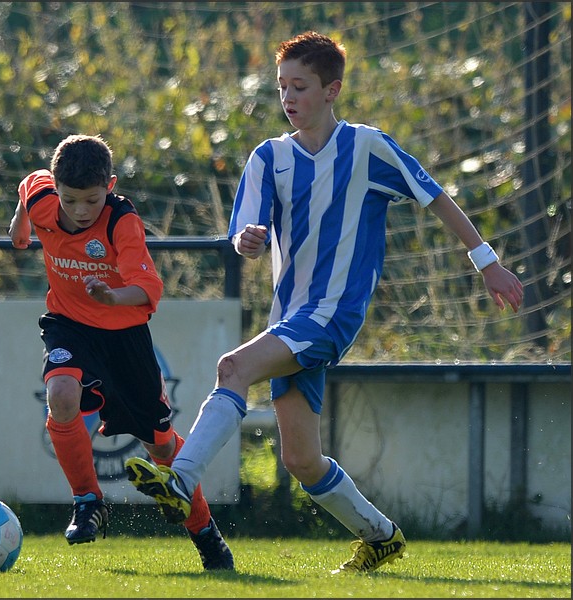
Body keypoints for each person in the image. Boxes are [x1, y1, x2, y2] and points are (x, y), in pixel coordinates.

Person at [125, 31, 525, 574]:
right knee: (301, 460)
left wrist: (488, 262)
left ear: (331, 90)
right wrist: (246, 238)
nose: (289, 98)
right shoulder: (269, 156)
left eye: (301, 86)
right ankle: (381, 537)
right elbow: (247, 226)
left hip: (333, 312)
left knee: (233, 367)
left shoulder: (367, 147)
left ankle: (182, 479)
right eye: (282, 86)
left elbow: (435, 198)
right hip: (290, 316)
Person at [8, 133, 234, 571]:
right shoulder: (42, 199)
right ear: (55, 188)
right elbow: (27, 185)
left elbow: (149, 289)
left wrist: (112, 297)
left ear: (109, 186)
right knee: (61, 398)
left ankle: (205, 532)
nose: (79, 212)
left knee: (163, 448)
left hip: (124, 339)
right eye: (69, 200)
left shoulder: (120, 220)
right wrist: (20, 227)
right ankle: (88, 501)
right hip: (69, 326)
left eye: (91, 200)